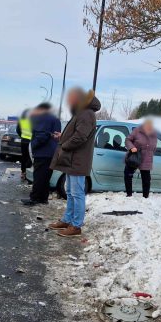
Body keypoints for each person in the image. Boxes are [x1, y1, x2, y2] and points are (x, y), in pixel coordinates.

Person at [49, 88, 101, 237]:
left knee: (77, 194)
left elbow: (80, 137)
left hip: (78, 161)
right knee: (71, 193)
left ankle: (76, 226)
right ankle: (67, 220)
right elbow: (76, 134)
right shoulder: (82, 112)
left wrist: (64, 145)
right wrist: (62, 136)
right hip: (72, 160)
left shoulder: (86, 113)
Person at [22, 103, 61, 206]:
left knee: (38, 176)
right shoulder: (55, 119)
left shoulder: (45, 119)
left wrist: (33, 145)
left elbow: (42, 135)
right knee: (46, 177)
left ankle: (34, 198)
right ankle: (43, 198)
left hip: (43, 152)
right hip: (52, 153)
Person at [124, 118, 158, 198]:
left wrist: (150, 153)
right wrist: (131, 147)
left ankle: (145, 197)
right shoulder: (137, 131)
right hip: (134, 157)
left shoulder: (154, 134)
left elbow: (154, 147)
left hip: (146, 159)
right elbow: (127, 140)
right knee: (128, 175)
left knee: (146, 179)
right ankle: (129, 194)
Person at [16, 109, 32, 180]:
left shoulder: (22, 120)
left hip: (24, 141)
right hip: (31, 142)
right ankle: (28, 173)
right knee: (30, 157)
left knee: (24, 157)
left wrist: (22, 135)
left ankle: (23, 172)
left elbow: (18, 130)